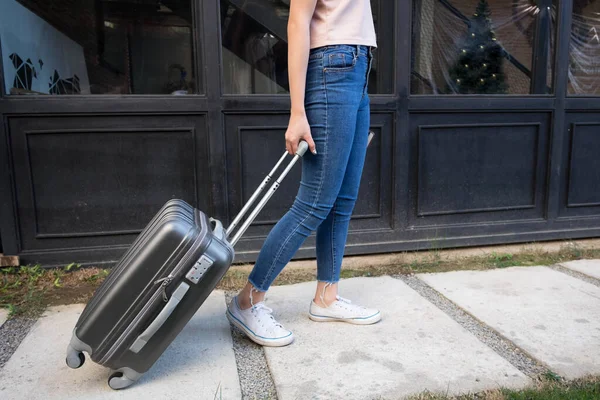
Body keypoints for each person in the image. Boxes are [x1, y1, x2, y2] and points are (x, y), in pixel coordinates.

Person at [227, 0, 381, 347]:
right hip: (333, 69)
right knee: (314, 202)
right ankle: (247, 300)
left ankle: (326, 297)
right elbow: (298, 21)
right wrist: (297, 111)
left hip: (357, 69)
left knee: (342, 199)